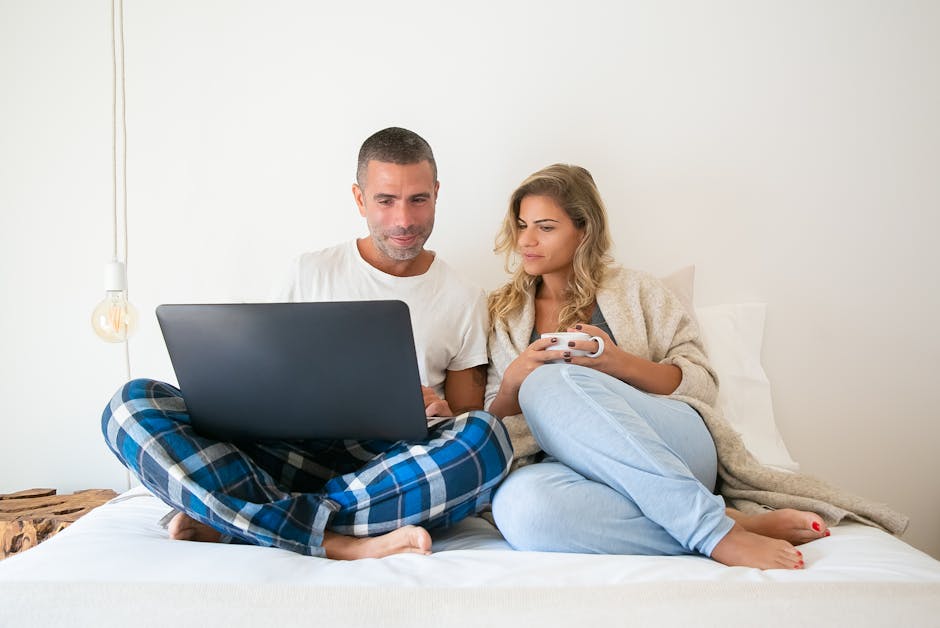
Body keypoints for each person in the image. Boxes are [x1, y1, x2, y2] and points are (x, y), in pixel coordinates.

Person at [101, 127, 512, 560]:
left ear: (437, 194)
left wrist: (441, 411)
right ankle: (338, 541)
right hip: (286, 454)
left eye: (418, 200)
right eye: (386, 200)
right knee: (129, 405)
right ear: (359, 199)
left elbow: (465, 415)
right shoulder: (309, 271)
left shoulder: (464, 296)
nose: (403, 220)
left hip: (386, 468)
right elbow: (266, 376)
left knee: (486, 438)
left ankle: (239, 517)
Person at [484, 164, 831, 569]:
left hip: (672, 444)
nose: (526, 240)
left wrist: (617, 363)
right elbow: (496, 426)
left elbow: (702, 384)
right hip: (572, 465)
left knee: (551, 381)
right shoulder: (504, 313)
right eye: (521, 225)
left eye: (545, 227)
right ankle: (732, 523)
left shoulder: (640, 290)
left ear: (584, 230)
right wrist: (512, 384)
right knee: (520, 509)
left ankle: (712, 533)